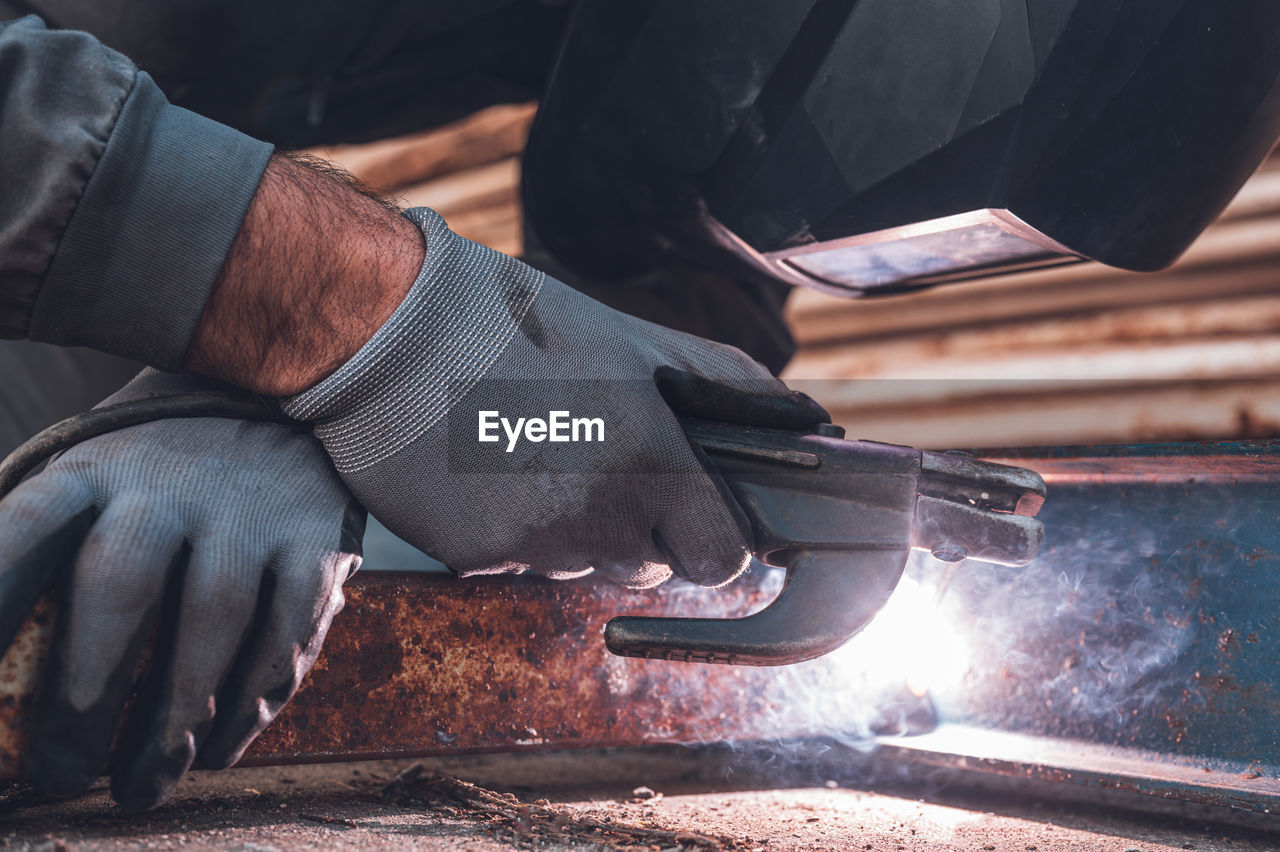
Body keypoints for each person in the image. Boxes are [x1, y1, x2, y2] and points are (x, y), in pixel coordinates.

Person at [0, 7, 825, 811]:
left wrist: (300, 394)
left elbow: (672, 229)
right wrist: (356, 313)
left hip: (129, 186)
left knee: (118, 621)